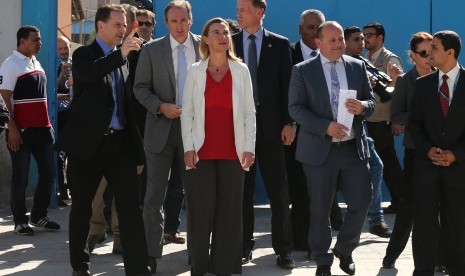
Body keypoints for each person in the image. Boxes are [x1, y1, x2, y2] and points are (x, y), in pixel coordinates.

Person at [54, 4, 149, 276]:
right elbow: (87, 75)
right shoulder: (85, 54)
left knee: (131, 209)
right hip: (88, 147)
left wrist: (137, 151)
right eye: (117, 25)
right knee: (82, 208)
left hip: (120, 145)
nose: (123, 30)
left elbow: (128, 105)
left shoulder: (126, 59)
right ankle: (80, 267)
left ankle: (138, 269)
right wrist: (120, 54)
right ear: (100, 26)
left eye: (124, 25)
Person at [289, 21, 375, 276]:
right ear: (319, 43)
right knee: (320, 208)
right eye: (333, 40)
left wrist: (362, 107)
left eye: (341, 39)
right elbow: (295, 108)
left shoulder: (357, 66)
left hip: (352, 148)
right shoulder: (302, 70)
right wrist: (325, 126)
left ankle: (345, 249)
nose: (339, 44)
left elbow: (370, 102)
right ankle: (322, 259)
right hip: (319, 149)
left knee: (362, 200)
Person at [181, 17, 256, 276]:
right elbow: (187, 113)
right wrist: (188, 147)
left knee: (230, 212)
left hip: (233, 151)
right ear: (205, 39)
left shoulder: (241, 70)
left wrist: (249, 146)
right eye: (216, 32)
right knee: (201, 213)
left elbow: (249, 112)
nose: (223, 36)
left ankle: (225, 267)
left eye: (226, 32)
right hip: (201, 152)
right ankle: (199, 267)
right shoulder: (195, 71)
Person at [133, 0, 200, 272]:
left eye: (184, 20)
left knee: (197, 196)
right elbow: (140, 87)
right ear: (166, 23)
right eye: (174, 21)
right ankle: (150, 254)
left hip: (195, 132)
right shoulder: (151, 50)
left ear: (191, 20)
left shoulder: (204, 46)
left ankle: (196, 253)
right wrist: (160, 106)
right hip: (160, 129)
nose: (180, 26)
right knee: (153, 197)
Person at [232, 0, 295, 268]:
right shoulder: (229, 42)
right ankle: (243, 245)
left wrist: (289, 122)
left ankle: (283, 249)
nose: (238, 13)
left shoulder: (279, 44)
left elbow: (288, 86)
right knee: (241, 192)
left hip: (271, 129)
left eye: (243, 9)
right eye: (237, 9)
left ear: (260, 11)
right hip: (238, 129)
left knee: (278, 192)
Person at [409, 30, 465, 276]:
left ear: (450, 53)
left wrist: (457, 155)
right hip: (427, 170)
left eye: (434, 48)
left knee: (459, 228)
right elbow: (415, 124)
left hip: (459, 172)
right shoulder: (422, 85)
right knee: (424, 228)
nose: (428, 53)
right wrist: (427, 149)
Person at [0, 25, 60, 236]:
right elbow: (3, 98)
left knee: (49, 174)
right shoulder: (10, 64)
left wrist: (49, 126)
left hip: (43, 131)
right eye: (35, 39)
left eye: (40, 39)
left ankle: (38, 215)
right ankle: (19, 221)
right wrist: (12, 128)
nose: (39, 43)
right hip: (21, 132)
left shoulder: (36, 62)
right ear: (22, 41)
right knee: (21, 177)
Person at [382, 31, 434, 269]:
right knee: (409, 207)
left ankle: (439, 258)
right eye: (423, 53)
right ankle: (391, 255)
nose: (428, 56)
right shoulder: (406, 80)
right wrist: (420, 117)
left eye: (432, 50)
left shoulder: (442, 77)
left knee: (441, 207)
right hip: (416, 151)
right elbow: (396, 116)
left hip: (442, 151)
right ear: (412, 55)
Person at [344, 26, 392, 238]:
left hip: (358, 126)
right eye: (356, 40)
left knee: (375, 166)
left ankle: (375, 219)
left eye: (363, 39)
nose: (361, 44)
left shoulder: (363, 63)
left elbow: (384, 92)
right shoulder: (336, 64)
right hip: (334, 129)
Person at [363, 22, 404, 214]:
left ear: (380, 38)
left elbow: (399, 91)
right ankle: (400, 198)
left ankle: (402, 199)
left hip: (383, 120)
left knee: (388, 162)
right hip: (370, 119)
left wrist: (397, 120)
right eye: (364, 35)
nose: (365, 38)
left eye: (370, 35)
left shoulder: (390, 59)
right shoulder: (367, 58)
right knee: (384, 162)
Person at [56, 35, 73, 205]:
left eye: (65, 48)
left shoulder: (78, 63)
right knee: (59, 155)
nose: (63, 52)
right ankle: (62, 190)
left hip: (74, 115)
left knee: (74, 153)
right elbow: (52, 90)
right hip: (59, 115)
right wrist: (62, 76)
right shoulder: (50, 65)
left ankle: (74, 188)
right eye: (60, 49)